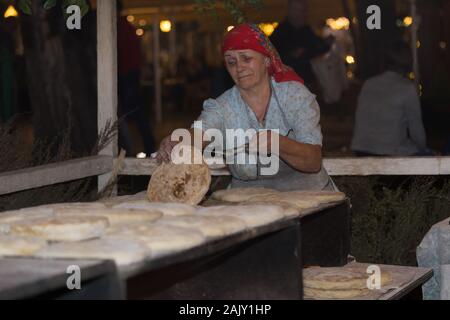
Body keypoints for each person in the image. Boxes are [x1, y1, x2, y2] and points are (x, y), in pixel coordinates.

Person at [156, 23, 335, 191]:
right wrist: (180, 142)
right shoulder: (222, 106)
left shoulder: (294, 96)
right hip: (249, 203)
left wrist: (278, 142)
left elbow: (313, 161)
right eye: (231, 62)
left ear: (266, 60)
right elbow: (201, 132)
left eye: (246, 58)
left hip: (308, 197)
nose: (239, 67)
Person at [351, 41, 431, 156]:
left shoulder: (369, 83)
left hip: (360, 149)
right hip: (388, 152)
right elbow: (416, 131)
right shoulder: (407, 88)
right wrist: (423, 149)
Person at [117, 1, 155, 155]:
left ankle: (132, 149)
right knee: (137, 115)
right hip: (131, 74)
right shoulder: (128, 28)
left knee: (129, 114)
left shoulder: (120, 29)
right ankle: (146, 146)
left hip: (126, 75)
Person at [270, 0, 330, 88]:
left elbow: (318, 48)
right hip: (289, 86)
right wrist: (291, 55)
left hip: (308, 82)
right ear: (290, 11)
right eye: (298, 10)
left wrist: (326, 44)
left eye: (303, 10)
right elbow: (274, 58)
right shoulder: (280, 33)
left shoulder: (306, 30)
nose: (302, 14)